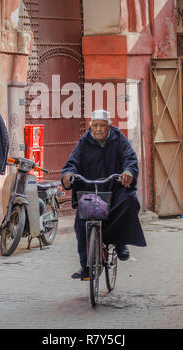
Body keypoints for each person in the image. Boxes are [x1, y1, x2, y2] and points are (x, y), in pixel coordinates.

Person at [61, 109, 146, 280]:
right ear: (90, 126)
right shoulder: (84, 142)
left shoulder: (118, 139)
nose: (98, 129)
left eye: (102, 125)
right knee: (80, 224)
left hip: (114, 190)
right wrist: (67, 175)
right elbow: (72, 163)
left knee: (129, 200)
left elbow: (130, 159)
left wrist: (128, 171)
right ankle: (86, 266)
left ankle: (120, 242)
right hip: (92, 191)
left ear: (109, 127)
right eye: (95, 126)